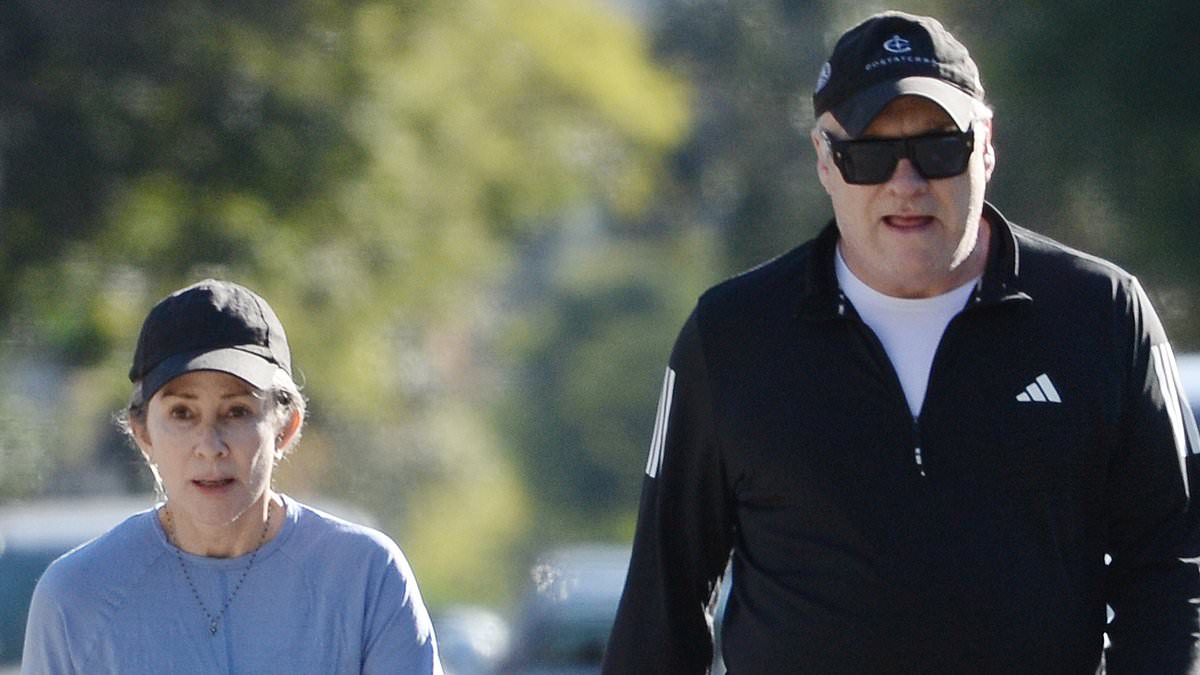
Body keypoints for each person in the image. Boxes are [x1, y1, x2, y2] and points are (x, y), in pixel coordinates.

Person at [602, 11, 1200, 675]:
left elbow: (1173, 565)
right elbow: (663, 601)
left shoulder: (1101, 314)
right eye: (870, 155)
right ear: (825, 160)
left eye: (939, 148)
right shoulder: (731, 337)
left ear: (986, 145)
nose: (907, 183)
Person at [22, 279, 443, 674]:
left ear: (286, 426)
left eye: (237, 411)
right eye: (182, 413)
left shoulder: (364, 577)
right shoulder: (77, 596)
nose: (210, 445)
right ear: (143, 432)